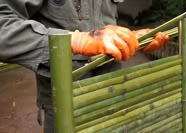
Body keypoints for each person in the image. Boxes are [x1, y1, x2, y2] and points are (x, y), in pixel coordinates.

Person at [0, 0, 169, 133]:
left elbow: (105, 25)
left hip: (111, 96)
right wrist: (75, 41)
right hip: (67, 106)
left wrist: (132, 38)